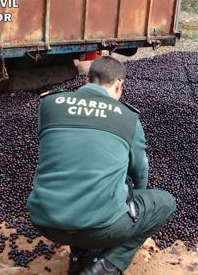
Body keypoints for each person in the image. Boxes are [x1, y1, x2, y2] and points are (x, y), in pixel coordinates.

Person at [27, 56, 176, 275]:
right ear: (119, 84)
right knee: (165, 203)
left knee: (81, 174)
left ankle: (79, 257)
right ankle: (106, 267)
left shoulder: (49, 104)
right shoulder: (128, 117)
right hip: (102, 228)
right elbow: (139, 170)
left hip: (44, 221)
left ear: (87, 79)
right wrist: (135, 203)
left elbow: (64, 151)